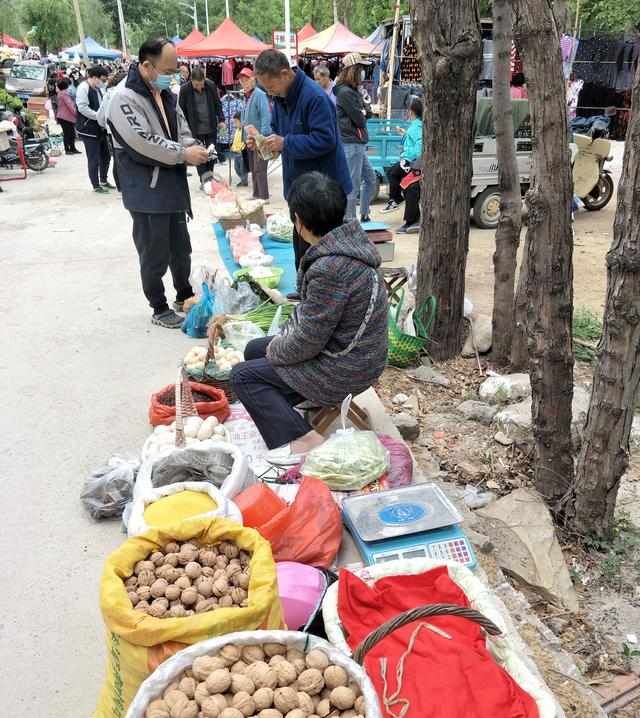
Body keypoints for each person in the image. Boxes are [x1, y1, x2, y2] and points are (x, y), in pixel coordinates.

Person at [231, 172, 388, 465]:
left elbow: (307, 341)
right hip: (360, 354)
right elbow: (311, 325)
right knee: (255, 349)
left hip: (348, 366)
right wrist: (275, 346)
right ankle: (292, 407)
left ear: (298, 221)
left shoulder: (331, 268)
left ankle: (303, 438)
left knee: (242, 375)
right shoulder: (351, 243)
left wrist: (276, 348)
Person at [107, 37, 210, 329]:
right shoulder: (122, 98)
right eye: (167, 69)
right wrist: (182, 153)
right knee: (154, 252)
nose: (173, 74)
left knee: (181, 248)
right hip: (146, 190)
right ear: (146, 66)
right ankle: (159, 305)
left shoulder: (166, 94)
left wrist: (196, 150)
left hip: (173, 185)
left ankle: (184, 295)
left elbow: (183, 130)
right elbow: (142, 143)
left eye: (175, 68)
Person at [253, 49, 352, 274]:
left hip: (323, 192)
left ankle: (321, 295)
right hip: (299, 187)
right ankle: (304, 288)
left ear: (285, 74)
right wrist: (266, 145)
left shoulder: (314, 97)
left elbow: (325, 140)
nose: (270, 93)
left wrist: (285, 143)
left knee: (325, 253)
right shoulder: (281, 97)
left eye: (270, 87)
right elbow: (279, 134)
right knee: (302, 249)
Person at [333, 52, 377, 223]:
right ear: (353, 70)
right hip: (351, 142)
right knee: (352, 183)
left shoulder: (353, 91)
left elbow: (367, 112)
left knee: (370, 179)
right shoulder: (345, 93)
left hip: (356, 142)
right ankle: (349, 220)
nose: (363, 72)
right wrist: (364, 111)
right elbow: (360, 119)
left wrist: (364, 111)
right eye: (361, 68)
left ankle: (364, 214)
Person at [178, 65, 225, 189]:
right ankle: (205, 180)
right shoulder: (184, 90)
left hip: (210, 126)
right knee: (199, 155)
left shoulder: (210, 85)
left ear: (204, 80)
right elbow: (181, 111)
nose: (199, 87)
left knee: (211, 153)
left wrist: (221, 119)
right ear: (191, 81)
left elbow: (217, 103)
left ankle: (209, 176)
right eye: (196, 85)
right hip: (194, 128)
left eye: (201, 84)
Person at [381, 97, 423, 213]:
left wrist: (407, 158)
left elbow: (419, 146)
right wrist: (404, 133)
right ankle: (396, 198)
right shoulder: (416, 125)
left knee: (392, 173)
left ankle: (395, 199)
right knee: (392, 173)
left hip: (411, 161)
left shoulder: (416, 126)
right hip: (409, 159)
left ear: (411, 111)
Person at [76, 65, 113, 193]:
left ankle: (103, 179)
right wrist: (97, 116)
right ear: (94, 77)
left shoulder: (98, 89)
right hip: (88, 129)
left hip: (100, 127)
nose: (103, 83)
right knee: (94, 158)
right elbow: (82, 108)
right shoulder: (83, 88)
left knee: (106, 156)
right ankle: (96, 185)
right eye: (102, 80)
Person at [238, 67, 271, 200]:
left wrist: (262, 137)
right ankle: (256, 194)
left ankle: (263, 197)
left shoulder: (259, 95)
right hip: (250, 139)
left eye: (245, 80)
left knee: (260, 168)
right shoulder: (247, 96)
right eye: (241, 81)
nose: (243, 83)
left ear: (253, 80)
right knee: (253, 167)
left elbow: (265, 116)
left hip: (260, 138)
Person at [97, 69, 127, 190]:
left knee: (117, 158)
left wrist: (106, 127)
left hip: (112, 132)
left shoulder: (108, 94)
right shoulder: (124, 93)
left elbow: (101, 116)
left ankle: (121, 186)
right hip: (123, 131)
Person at [55, 78, 80, 154]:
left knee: (70, 133)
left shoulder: (61, 93)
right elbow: (70, 105)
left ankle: (72, 148)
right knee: (68, 134)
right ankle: (68, 149)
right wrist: (76, 113)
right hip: (65, 117)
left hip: (63, 117)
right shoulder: (64, 94)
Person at [230, 112, 249, 186]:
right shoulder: (237, 130)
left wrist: (243, 148)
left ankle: (244, 181)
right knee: (236, 168)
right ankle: (242, 179)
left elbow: (245, 141)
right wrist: (232, 147)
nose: (235, 124)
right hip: (236, 152)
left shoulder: (244, 130)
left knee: (243, 168)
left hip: (242, 152)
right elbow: (235, 140)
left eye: (236, 122)